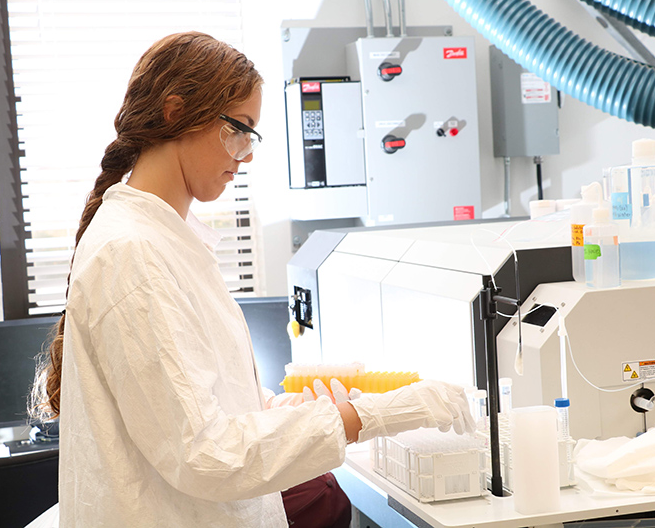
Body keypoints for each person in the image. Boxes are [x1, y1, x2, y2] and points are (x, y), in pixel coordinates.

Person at [31, 31, 474, 527]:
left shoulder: (167, 240)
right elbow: (206, 453)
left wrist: (292, 409)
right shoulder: (132, 253)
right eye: (238, 128)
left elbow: (203, 403)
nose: (247, 153)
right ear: (177, 113)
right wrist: (376, 416)